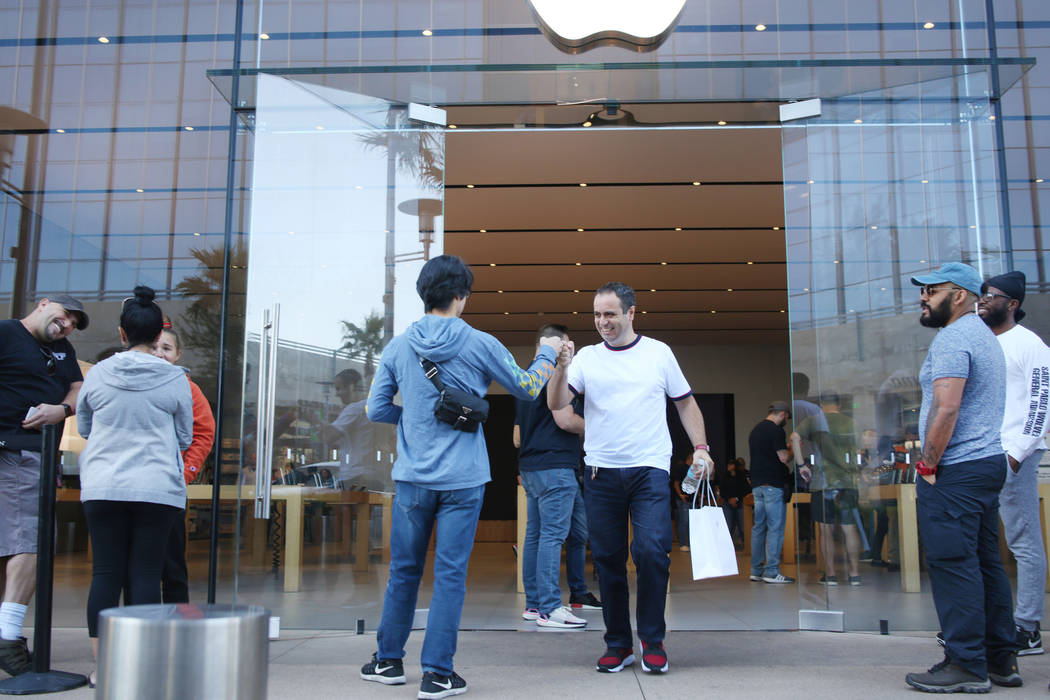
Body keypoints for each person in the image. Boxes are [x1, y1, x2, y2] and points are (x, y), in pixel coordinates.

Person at [361, 255, 560, 699]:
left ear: (424, 294)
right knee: (450, 574)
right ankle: (437, 674)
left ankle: (388, 662)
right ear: (461, 296)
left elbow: (375, 409)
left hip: (412, 479)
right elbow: (528, 387)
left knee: (403, 572)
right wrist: (547, 352)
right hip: (463, 480)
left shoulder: (398, 346)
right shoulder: (479, 343)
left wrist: (412, 418)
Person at [547, 281, 715, 675]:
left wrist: (702, 449)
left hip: (649, 469)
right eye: (597, 315)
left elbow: (685, 403)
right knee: (607, 560)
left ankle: (653, 641)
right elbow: (557, 403)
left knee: (653, 552)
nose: (602, 321)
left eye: (610, 314)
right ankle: (619, 644)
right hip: (601, 472)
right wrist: (561, 368)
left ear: (631, 313)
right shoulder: (585, 358)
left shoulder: (658, 354)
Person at [903, 263, 1018, 693]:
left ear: (961, 295)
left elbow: (947, 407)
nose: (923, 297)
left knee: (954, 564)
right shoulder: (984, 338)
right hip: (986, 464)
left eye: (933, 290)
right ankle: (1000, 660)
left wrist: (928, 464)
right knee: (986, 564)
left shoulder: (954, 338)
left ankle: (966, 664)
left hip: (957, 469)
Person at [77, 286, 193, 687]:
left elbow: (85, 427)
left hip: (103, 484)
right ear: (155, 334)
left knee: (105, 574)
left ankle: (105, 669)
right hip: (155, 487)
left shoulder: (97, 373)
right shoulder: (175, 377)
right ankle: (143, 668)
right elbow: (183, 436)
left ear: (122, 334)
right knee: (146, 573)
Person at [0, 295, 88, 677]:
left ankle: (5, 635)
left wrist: (62, 410)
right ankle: (7, 638)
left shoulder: (62, 349)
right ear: (43, 303)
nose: (67, 324)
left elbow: (76, 389)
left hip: (36, 453)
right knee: (30, 543)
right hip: (17, 452)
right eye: (65, 315)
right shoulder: (6, 333)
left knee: (16, 545)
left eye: (73, 323)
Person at [978, 270, 1050, 656]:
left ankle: (1028, 627)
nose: (984, 300)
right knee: (981, 544)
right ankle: (989, 625)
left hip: (1012, 457)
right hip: (982, 455)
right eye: (983, 294)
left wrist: (1017, 454)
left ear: (1013, 304)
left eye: (992, 295)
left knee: (1023, 542)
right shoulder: (983, 342)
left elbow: (1042, 403)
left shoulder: (1030, 345)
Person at [514, 324, 600, 628]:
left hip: (531, 466)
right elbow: (564, 420)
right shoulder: (555, 374)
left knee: (535, 536)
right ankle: (550, 608)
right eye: (566, 347)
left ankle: (534, 605)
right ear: (558, 345)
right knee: (552, 536)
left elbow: (517, 436)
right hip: (556, 466)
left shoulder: (526, 377)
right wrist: (600, 427)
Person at [152, 321, 216, 602]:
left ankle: (178, 627)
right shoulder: (128, 381)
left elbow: (204, 432)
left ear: (178, 355)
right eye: (154, 347)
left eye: (166, 348)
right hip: (132, 486)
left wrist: (185, 472)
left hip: (169, 487)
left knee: (173, 564)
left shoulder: (189, 389)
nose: (159, 353)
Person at [797, 394, 863, 586]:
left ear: (821, 405)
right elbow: (860, 450)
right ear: (839, 405)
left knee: (825, 530)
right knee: (849, 528)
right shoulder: (852, 423)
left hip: (822, 481)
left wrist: (802, 465)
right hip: (847, 481)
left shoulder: (814, 421)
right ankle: (855, 574)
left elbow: (794, 437)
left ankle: (831, 574)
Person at [748, 402, 805, 584]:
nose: (787, 421)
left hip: (757, 485)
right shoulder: (775, 430)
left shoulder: (755, 430)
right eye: (787, 417)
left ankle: (756, 570)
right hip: (773, 484)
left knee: (758, 528)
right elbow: (783, 458)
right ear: (782, 414)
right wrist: (793, 448)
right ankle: (771, 572)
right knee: (775, 528)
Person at [717, 457, 751, 548]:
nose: (729, 466)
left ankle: (746, 545)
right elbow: (722, 490)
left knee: (743, 525)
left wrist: (736, 499)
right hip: (727, 503)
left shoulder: (742, 476)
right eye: (728, 464)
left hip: (740, 503)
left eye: (731, 464)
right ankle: (727, 546)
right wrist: (729, 499)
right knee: (728, 525)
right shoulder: (724, 477)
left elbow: (746, 489)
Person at [670, 454, 693, 551]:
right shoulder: (681, 468)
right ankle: (683, 543)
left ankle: (689, 542)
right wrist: (680, 495)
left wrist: (699, 495)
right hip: (683, 499)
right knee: (684, 521)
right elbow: (676, 483)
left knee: (689, 522)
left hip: (691, 498)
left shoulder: (692, 469)